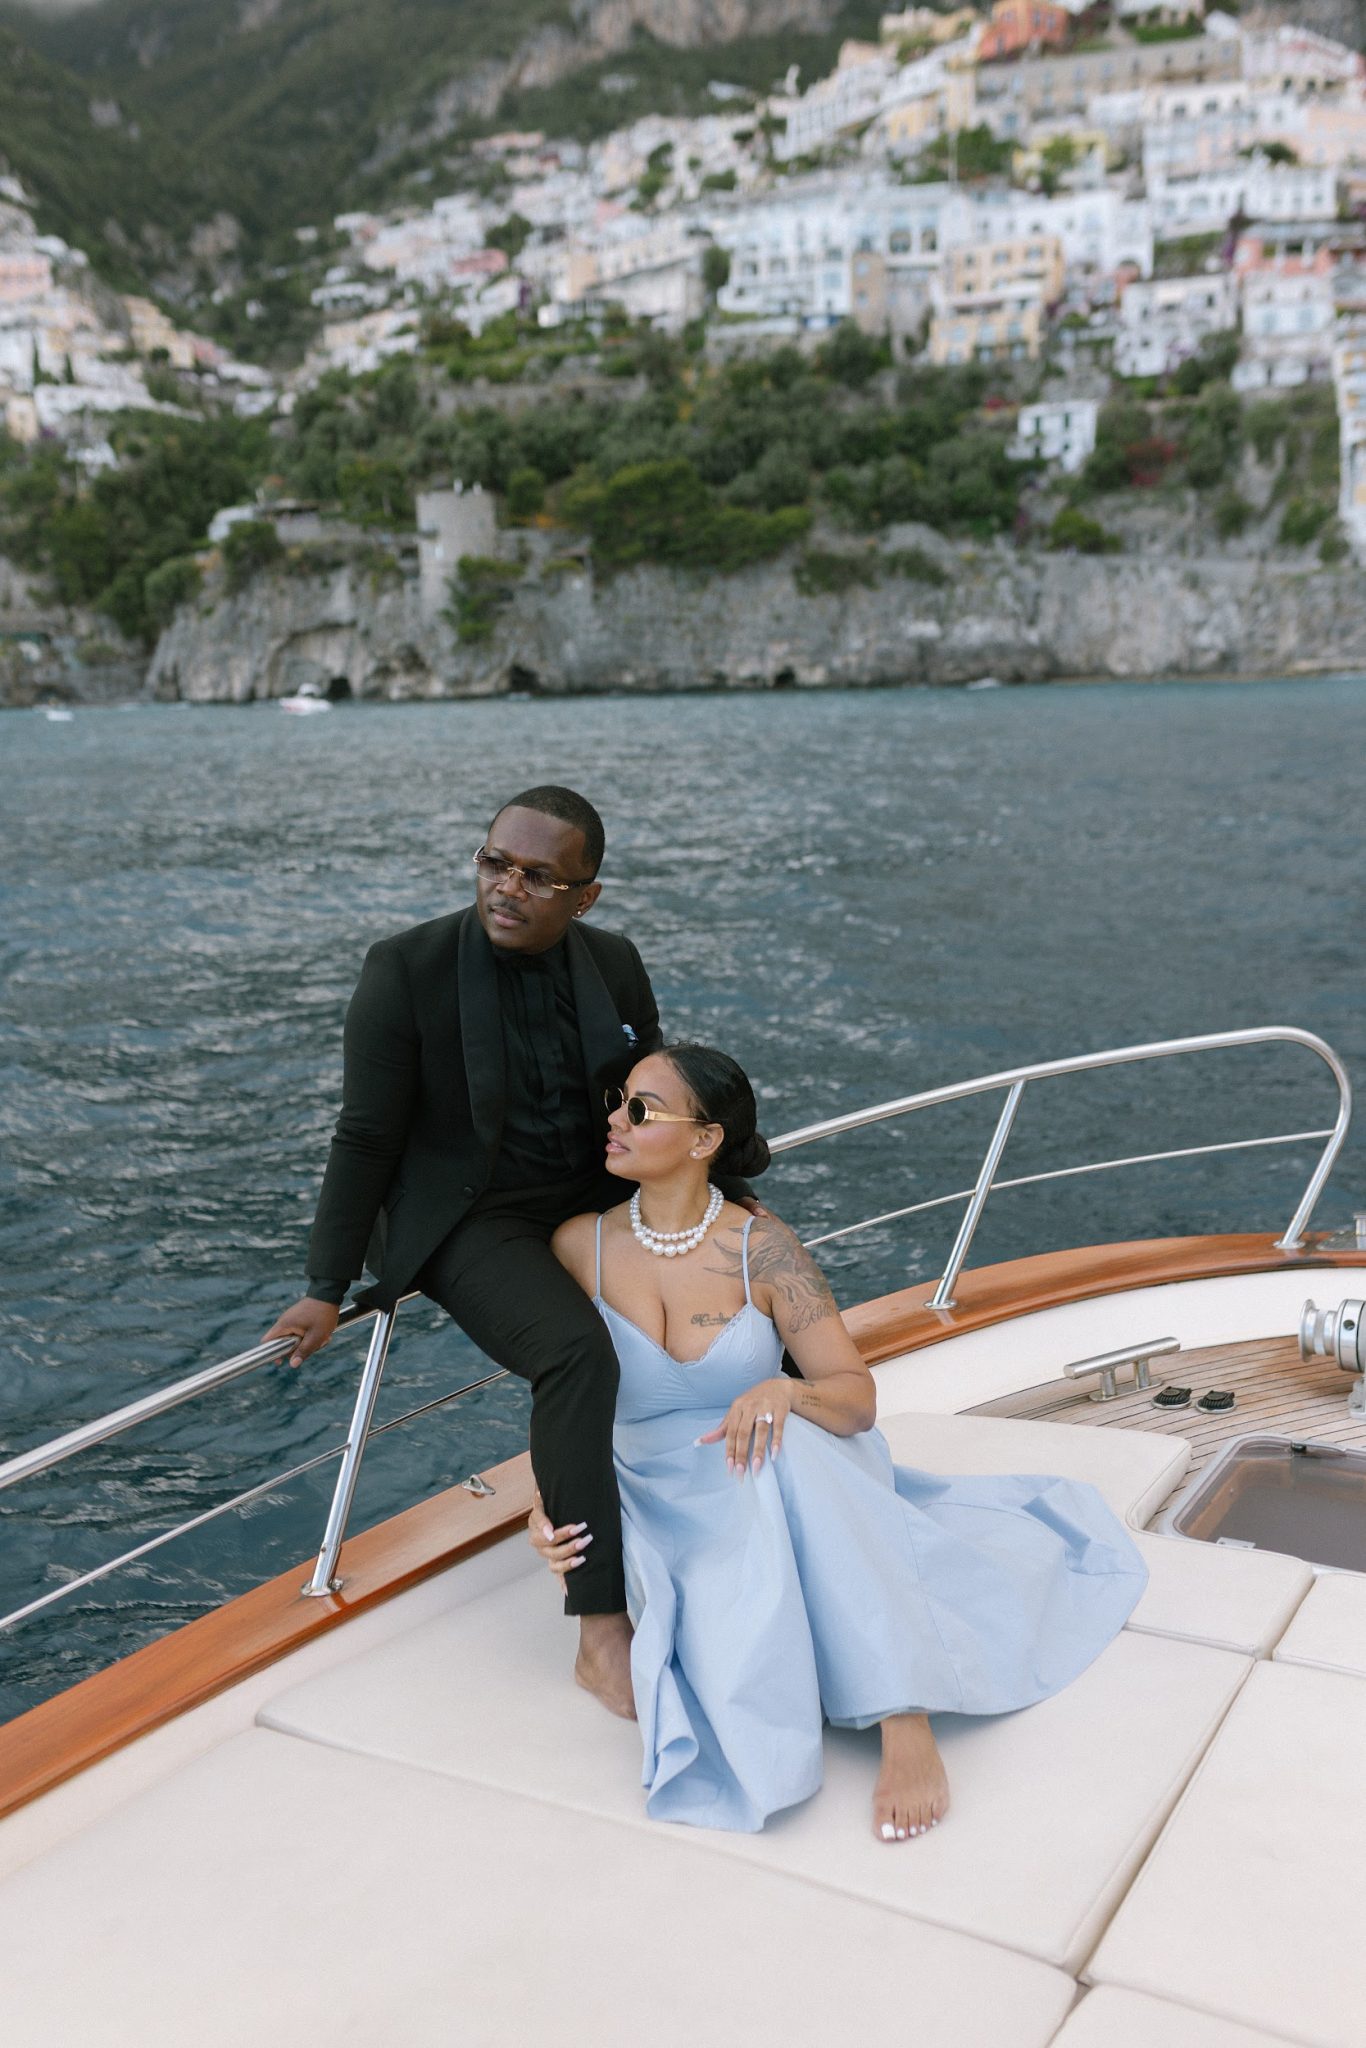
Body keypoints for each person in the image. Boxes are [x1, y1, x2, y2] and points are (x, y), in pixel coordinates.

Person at [531, 1043, 1149, 1841]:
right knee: (737, 1602)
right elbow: (563, 1399)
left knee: (784, 1451)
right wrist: (553, 1502)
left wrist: (786, 1389)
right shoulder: (578, 1245)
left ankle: (903, 1712)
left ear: (705, 1139)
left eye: (640, 1109)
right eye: (618, 1099)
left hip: (774, 1458)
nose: (614, 1118)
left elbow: (855, 1399)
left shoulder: (765, 1250)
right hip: (651, 1490)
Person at [264, 788, 753, 1719]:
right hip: (469, 1217)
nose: (506, 887)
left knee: (734, 1285)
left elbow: (649, 1095)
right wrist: (327, 1284)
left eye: (537, 876)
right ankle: (600, 1627)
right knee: (575, 1356)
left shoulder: (613, 962)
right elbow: (365, 1133)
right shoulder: (404, 970)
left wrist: (726, 1192)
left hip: (588, 1191)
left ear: (585, 895)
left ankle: (743, 1530)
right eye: (494, 862)